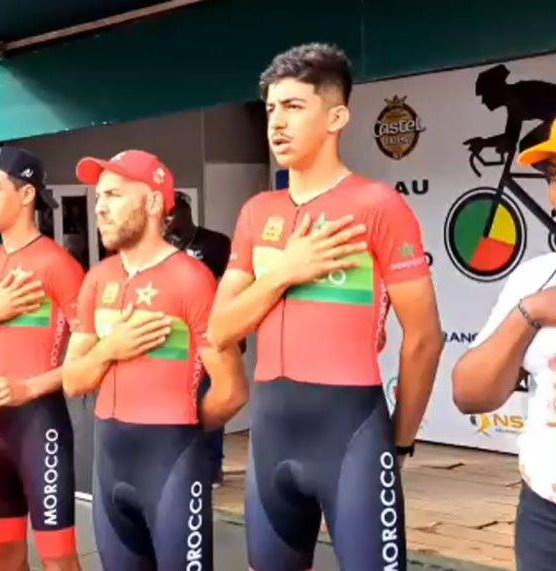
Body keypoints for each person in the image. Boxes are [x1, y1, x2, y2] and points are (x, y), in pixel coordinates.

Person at [208, 44, 444, 570]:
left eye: (294, 107)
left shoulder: (377, 205)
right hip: (271, 437)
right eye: (271, 108)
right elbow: (220, 329)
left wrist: (400, 442)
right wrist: (286, 271)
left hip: (352, 433)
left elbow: (426, 338)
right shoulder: (257, 212)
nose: (277, 122)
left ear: (336, 117)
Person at [62, 149, 247, 570]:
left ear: (150, 202)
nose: (100, 208)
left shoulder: (191, 280)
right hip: (109, 463)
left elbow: (232, 390)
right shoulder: (98, 279)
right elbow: (73, 381)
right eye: (98, 198)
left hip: (171, 462)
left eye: (113, 195)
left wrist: (182, 427)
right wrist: (110, 349)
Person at [0, 147, 82, 571]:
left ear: (26, 194)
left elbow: (91, 360)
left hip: (40, 425)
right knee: (3, 558)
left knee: (58, 558)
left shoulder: (58, 264)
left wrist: (28, 388)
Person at [452, 121, 556, 570]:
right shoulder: (536, 277)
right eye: (553, 176)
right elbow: (470, 394)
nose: (555, 194)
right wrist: (531, 312)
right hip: (545, 517)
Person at [165, 191, 233, 486]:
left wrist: (233, 331)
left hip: (209, 335)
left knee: (210, 396)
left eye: (173, 213)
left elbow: (230, 289)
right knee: (181, 401)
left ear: (186, 211)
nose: (168, 219)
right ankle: (183, 460)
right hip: (174, 339)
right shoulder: (162, 246)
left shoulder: (215, 243)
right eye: (164, 214)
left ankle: (213, 464)